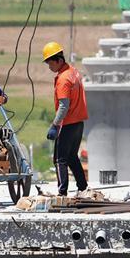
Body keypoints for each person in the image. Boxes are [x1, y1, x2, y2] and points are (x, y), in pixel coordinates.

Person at [42, 41, 89, 196]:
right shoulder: (74, 72)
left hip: (67, 124)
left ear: (58, 60)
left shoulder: (63, 79)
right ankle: (82, 187)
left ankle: (62, 193)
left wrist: (55, 125)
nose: (49, 67)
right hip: (79, 123)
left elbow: (63, 106)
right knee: (72, 157)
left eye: (50, 63)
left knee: (59, 159)